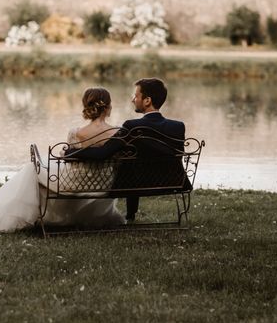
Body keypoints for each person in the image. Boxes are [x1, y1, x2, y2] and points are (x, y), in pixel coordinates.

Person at [0, 87, 125, 232]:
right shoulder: (118, 132)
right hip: (103, 183)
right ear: (108, 107)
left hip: (74, 182)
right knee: (37, 168)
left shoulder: (76, 132)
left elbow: (70, 162)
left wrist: (66, 154)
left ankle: (16, 214)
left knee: (31, 169)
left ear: (87, 106)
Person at [66, 78, 188, 223]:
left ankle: (131, 215)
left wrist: (71, 152)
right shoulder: (178, 126)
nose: (132, 100)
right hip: (173, 181)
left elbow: (102, 154)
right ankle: (130, 215)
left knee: (131, 167)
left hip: (137, 184)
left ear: (147, 100)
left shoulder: (132, 126)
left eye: (136, 96)